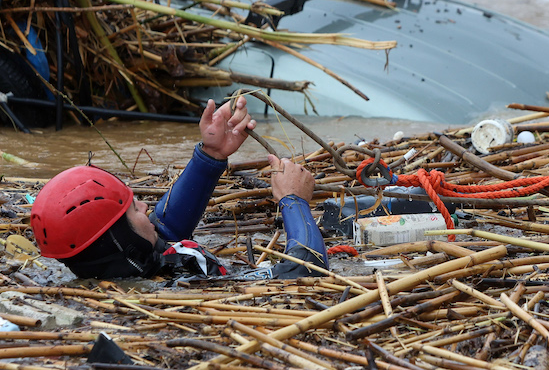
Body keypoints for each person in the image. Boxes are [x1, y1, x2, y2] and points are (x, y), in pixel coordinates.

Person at [29, 97, 327, 280]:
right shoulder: (176, 286)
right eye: (133, 209)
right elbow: (304, 274)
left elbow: (164, 232)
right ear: (119, 241)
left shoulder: (121, 266)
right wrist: (294, 201)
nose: (145, 207)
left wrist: (211, 156)